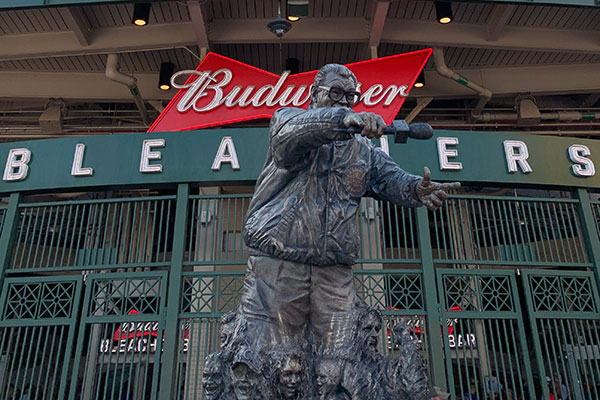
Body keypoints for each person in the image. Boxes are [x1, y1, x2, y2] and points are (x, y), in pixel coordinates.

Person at [239, 62, 459, 351]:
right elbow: (290, 136)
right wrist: (342, 119)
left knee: (340, 358)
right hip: (279, 264)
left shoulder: (363, 150)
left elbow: (390, 178)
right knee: (267, 354)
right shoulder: (289, 121)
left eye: (350, 96)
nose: (344, 101)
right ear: (314, 94)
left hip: (334, 271)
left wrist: (415, 189)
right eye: (335, 93)